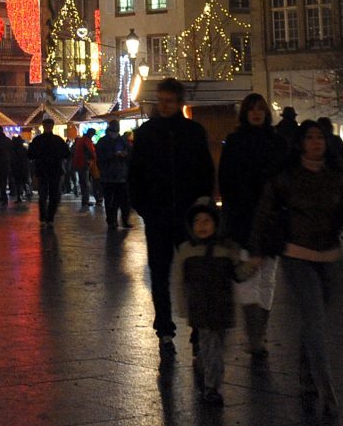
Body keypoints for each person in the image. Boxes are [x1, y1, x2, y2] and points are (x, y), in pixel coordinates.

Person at [250, 121, 343, 414]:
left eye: (320, 138)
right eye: (310, 138)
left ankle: (305, 372)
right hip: (297, 254)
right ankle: (325, 384)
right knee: (314, 317)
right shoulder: (286, 177)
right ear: (301, 143)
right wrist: (259, 250)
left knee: (316, 319)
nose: (316, 143)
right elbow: (265, 213)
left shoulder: (336, 177)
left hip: (329, 256)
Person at [128, 78, 216, 354]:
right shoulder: (146, 133)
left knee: (195, 271)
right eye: (161, 100)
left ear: (179, 103)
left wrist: (202, 206)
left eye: (169, 101)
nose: (164, 105)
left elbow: (205, 170)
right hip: (159, 215)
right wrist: (146, 208)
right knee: (160, 272)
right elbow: (135, 175)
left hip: (189, 216)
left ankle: (197, 325)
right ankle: (165, 329)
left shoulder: (193, 132)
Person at [218, 93, 286, 357]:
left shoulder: (278, 142)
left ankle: (259, 334)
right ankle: (255, 335)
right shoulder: (235, 142)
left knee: (268, 277)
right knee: (247, 276)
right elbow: (227, 180)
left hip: (271, 219)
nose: (256, 113)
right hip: (245, 217)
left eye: (260, 109)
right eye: (252, 109)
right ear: (245, 112)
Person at [179, 199, 255, 405]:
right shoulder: (187, 250)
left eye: (207, 220)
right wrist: (182, 306)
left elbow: (238, 273)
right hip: (200, 308)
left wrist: (253, 265)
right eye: (197, 221)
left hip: (222, 307)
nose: (202, 225)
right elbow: (180, 280)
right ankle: (212, 387)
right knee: (209, 344)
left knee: (217, 346)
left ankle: (208, 373)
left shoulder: (227, 250)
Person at [28, 120, 70, 229]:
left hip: (42, 171)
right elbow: (67, 154)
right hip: (54, 171)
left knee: (43, 196)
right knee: (53, 196)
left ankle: (44, 218)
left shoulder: (37, 140)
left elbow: (30, 155)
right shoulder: (58, 140)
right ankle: (50, 218)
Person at [97, 121, 132, 228]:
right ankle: (112, 220)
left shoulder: (121, 140)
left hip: (120, 175)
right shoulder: (103, 141)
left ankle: (121, 220)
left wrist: (124, 155)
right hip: (109, 175)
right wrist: (114, 155)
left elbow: (129, 154)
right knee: (110, 200)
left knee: (122, 200)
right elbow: (100, 157)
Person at [72, 130, 99, 210]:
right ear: (90, 134)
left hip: (79, 164)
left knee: (83, 182)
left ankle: (85, 201)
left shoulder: (81, 139)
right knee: (86, 183)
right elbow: (91, 151)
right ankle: (85, 201)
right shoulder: (86, 140)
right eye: (93, 135)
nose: (93, 136)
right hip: (84, 164)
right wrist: (94, 158)